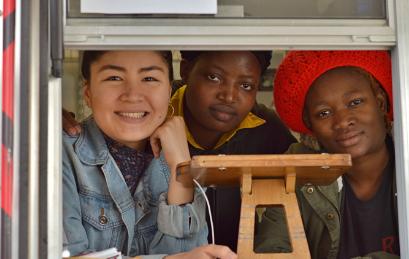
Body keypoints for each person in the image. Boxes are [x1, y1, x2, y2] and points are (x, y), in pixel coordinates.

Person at [63, 50, 297, 251]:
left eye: (149, 78)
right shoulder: (60, 154)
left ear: (168, 91)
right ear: (88, 93)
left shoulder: (177, 157)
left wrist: (180, 167)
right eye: (114, 77)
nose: (133, 95)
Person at [255, 51, 400, 259]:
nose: (342, 121)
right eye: (324, 113)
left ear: (380, 104)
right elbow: (271, 252)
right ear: (310, 126)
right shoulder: (297, 171)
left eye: (355, 102)